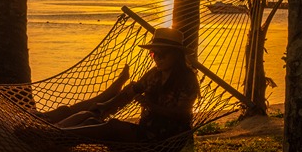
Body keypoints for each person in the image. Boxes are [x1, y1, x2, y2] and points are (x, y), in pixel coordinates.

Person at [50, 28, 200, 144]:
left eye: (163, 54)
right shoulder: (154, 74)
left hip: (165, 139)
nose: (157, 59)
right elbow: (130, 93)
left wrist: (153, 106)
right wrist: (106, 106)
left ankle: (56, 135)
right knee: (90, 118)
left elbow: (182, 115)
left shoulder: (187, 79)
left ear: (176, 54)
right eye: (154, 54)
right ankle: (53, 132)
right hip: (145, 131)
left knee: (113, 127)